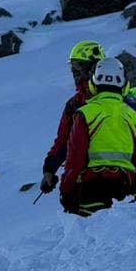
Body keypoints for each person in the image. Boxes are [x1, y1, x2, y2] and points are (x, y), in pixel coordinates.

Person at [59, 58, 136, 216]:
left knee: (91, 230)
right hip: (126, 187)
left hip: (92, 188)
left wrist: (67, 190)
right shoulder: (134, 117)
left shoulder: (85, 113)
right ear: (124, 85)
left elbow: (74, 157)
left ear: (93, 83)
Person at [40, 40, 105, 195]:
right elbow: (63, 141)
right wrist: (49, 169)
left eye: (78, 66)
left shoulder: (118, 99)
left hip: (116, 175)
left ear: (93, 67)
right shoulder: (74, 104)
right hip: (86, 178)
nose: (73, 72)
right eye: (72, 66)